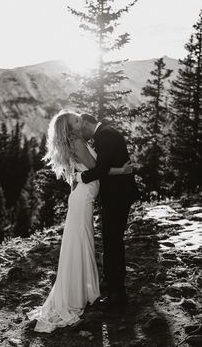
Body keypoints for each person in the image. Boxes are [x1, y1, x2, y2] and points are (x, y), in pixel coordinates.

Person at [26, 110, 132, 333]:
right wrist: (121, 170)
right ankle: (81, 292)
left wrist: (83, 177)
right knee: (82, 243)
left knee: (81, 243)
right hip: (84, 198)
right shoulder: (78, 143)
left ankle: (82, 290)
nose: (80, 120)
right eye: (76, 120)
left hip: (84, 197)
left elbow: (92, 170)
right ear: (69, 128)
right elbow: (97, 170)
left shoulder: (77, 142)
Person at [75, 113, 139, 309]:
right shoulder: (103, 134)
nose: (79, 133)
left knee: (114, 240)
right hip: (114, 196)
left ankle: (118, 293)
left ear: (86, 123)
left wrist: (79, 178)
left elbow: (102, 168)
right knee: (110, 239)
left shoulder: (106, 135)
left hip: (119, 196)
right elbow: (107, 166)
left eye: (79, 128)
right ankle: (110, 281)